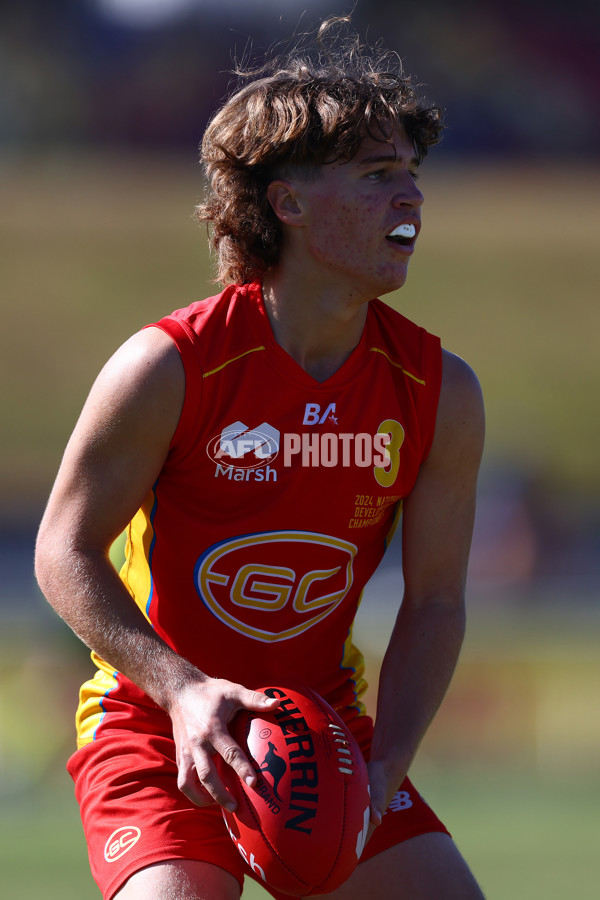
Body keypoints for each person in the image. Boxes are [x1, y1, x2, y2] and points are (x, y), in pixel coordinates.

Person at [35, 17, 486, 900]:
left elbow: (435, 601)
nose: (412, 198)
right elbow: (62, 549)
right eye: (376, 175)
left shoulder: (439, 390)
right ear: (288, 201)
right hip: (154, 723)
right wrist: (182, 690)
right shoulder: (170, 366)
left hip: (324, 731)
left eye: (412, 175)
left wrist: (386, 761)